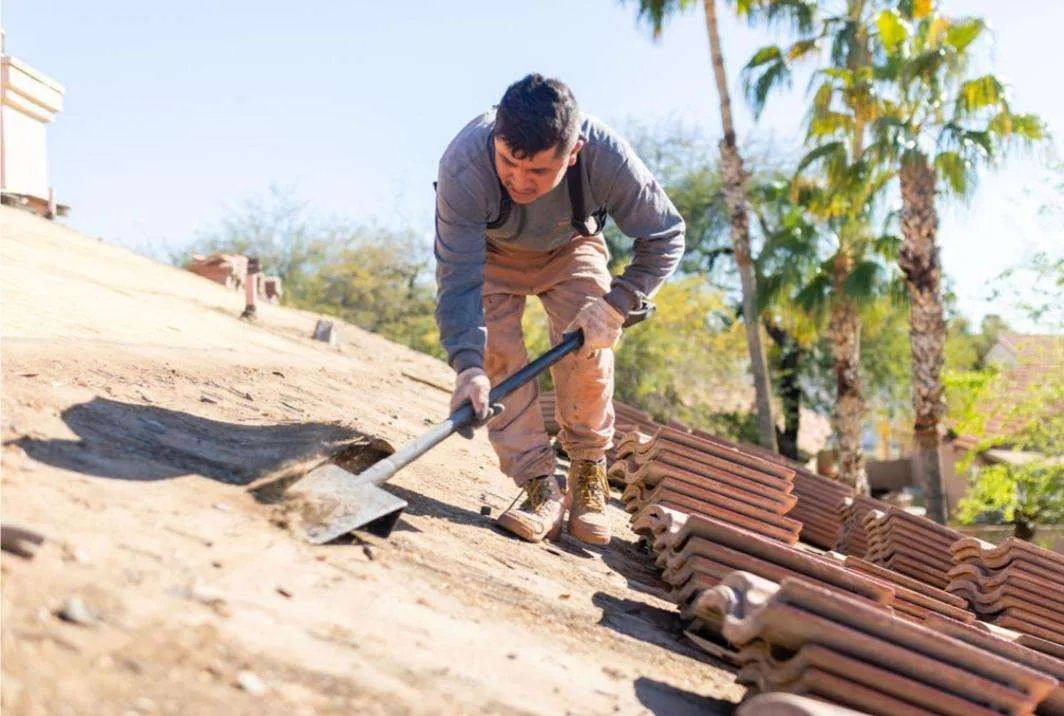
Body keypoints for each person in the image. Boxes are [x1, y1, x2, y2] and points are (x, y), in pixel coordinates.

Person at [434, 73, 685, 545]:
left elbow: (665, 234)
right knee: (495, 357)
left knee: (587, 350)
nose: (519, 180)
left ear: (573, 154)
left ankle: (588, 471)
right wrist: (467, 367)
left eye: (538, 171)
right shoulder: (464, 165)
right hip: (491, 256)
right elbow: (457, 278)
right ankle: (538, 487)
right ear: (496, 139)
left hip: (572, 247)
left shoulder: (606, 156)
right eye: (508, 162)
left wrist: (617, 305)